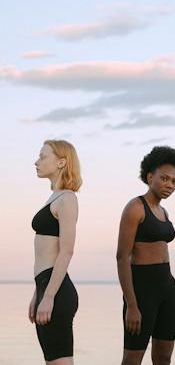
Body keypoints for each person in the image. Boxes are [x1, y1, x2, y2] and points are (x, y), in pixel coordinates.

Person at [116, 146, 175, 365]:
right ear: (149, 176)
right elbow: (122, 257)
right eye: (164, 178)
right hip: (142, 290)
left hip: (167, 288)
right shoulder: (135, 208)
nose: (169, 185)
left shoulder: (163, 212)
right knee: (132, 358)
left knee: (164, 357)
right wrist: (132, 305)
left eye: (174, 181)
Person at [30, 139, 81, 364]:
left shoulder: (67, 199)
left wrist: (49, 296)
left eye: (43, 156)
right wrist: (37, 293)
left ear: (61, 162)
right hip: (46, 286)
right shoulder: (54, 197)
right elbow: (44, 253)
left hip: (57, 292)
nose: (36, 161)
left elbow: (66, 251)